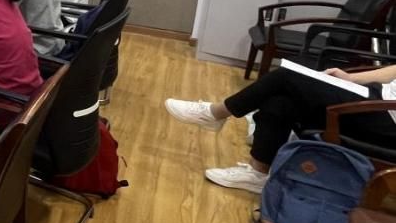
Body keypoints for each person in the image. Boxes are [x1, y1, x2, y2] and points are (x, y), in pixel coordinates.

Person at [166, 65, 396, 194]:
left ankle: (215, 113)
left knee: (286, 78)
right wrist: (351, 78)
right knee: (282, 100)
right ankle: (257, 173)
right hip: (379, 98)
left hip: (387, 121)